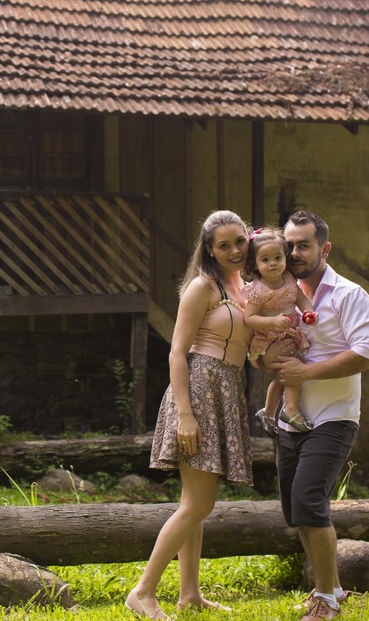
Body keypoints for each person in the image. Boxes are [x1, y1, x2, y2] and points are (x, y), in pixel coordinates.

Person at [125, 210, 269, 620]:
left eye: (239, 241)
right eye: (224, 245)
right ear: (209, 249)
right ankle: (143, 591)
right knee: (198, 505)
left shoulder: (246, 287)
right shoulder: (202, 287)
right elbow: (176, 352)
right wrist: (186, 414)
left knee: (196, 502)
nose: (235, 251)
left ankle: (189, 594)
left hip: (227, 388)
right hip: (199, 389)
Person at [268, 210, 369, 621]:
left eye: (303, 245)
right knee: (294, 509)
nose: (294, 253)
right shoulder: (280, 293)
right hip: (290, 419)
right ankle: (331, 588)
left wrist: (305, 372)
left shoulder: (350, 295)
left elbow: (366, 354)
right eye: (289, 245)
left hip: (334, 417)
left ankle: (325, 600)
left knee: (308, 500)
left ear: (324, 248)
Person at [241, 227, 318, 435]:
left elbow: (300, 298)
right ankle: (290, 409)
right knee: (292, 369)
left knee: (283, 374)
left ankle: (268, 411)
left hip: (288, 334)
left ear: (285, 257)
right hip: (269, 338)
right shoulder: (258, 290)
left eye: (277, 257)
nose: (273, 263)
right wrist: (274, 321)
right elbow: (248, 318)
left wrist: (308, 312)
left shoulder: (290, 279)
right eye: (265, 260)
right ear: (255, 264)